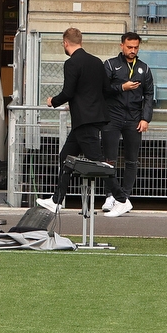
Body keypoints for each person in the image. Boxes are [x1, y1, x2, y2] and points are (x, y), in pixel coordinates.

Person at [36, 28, 110, 214]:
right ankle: (57, 200)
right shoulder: (96, 62)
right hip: (88, 119)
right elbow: (104, 90)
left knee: (98, 162)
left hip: (84, 121)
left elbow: (68, 92)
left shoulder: (71, 63)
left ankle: (120, 198)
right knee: (65, 158)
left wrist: (52, 101)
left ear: (65, 43)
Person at [101, 32, 155, 218]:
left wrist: (145, 118)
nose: (133, 51)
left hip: (134, 118)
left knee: (132, 160)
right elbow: (102, 88)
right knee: (109, 159)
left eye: (136, 48)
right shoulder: (110, 65)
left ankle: (124, 197)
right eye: (129, 47)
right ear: (121, 45)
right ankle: (110, 195)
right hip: (112, 116)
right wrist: (121, 87)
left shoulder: (144, 69)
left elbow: (149, 95)